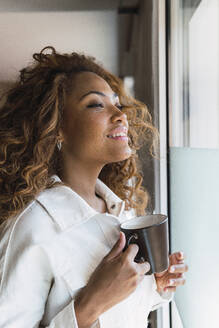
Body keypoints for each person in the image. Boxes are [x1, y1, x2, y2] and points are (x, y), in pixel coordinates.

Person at [0, 46, 188, 328]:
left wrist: (156, 287)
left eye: (116, 102)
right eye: (96, 104)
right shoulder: (33, 226)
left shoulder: (121, 213)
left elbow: (122, 311)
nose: (120, 114)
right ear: (57, 127)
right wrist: (90, 305)